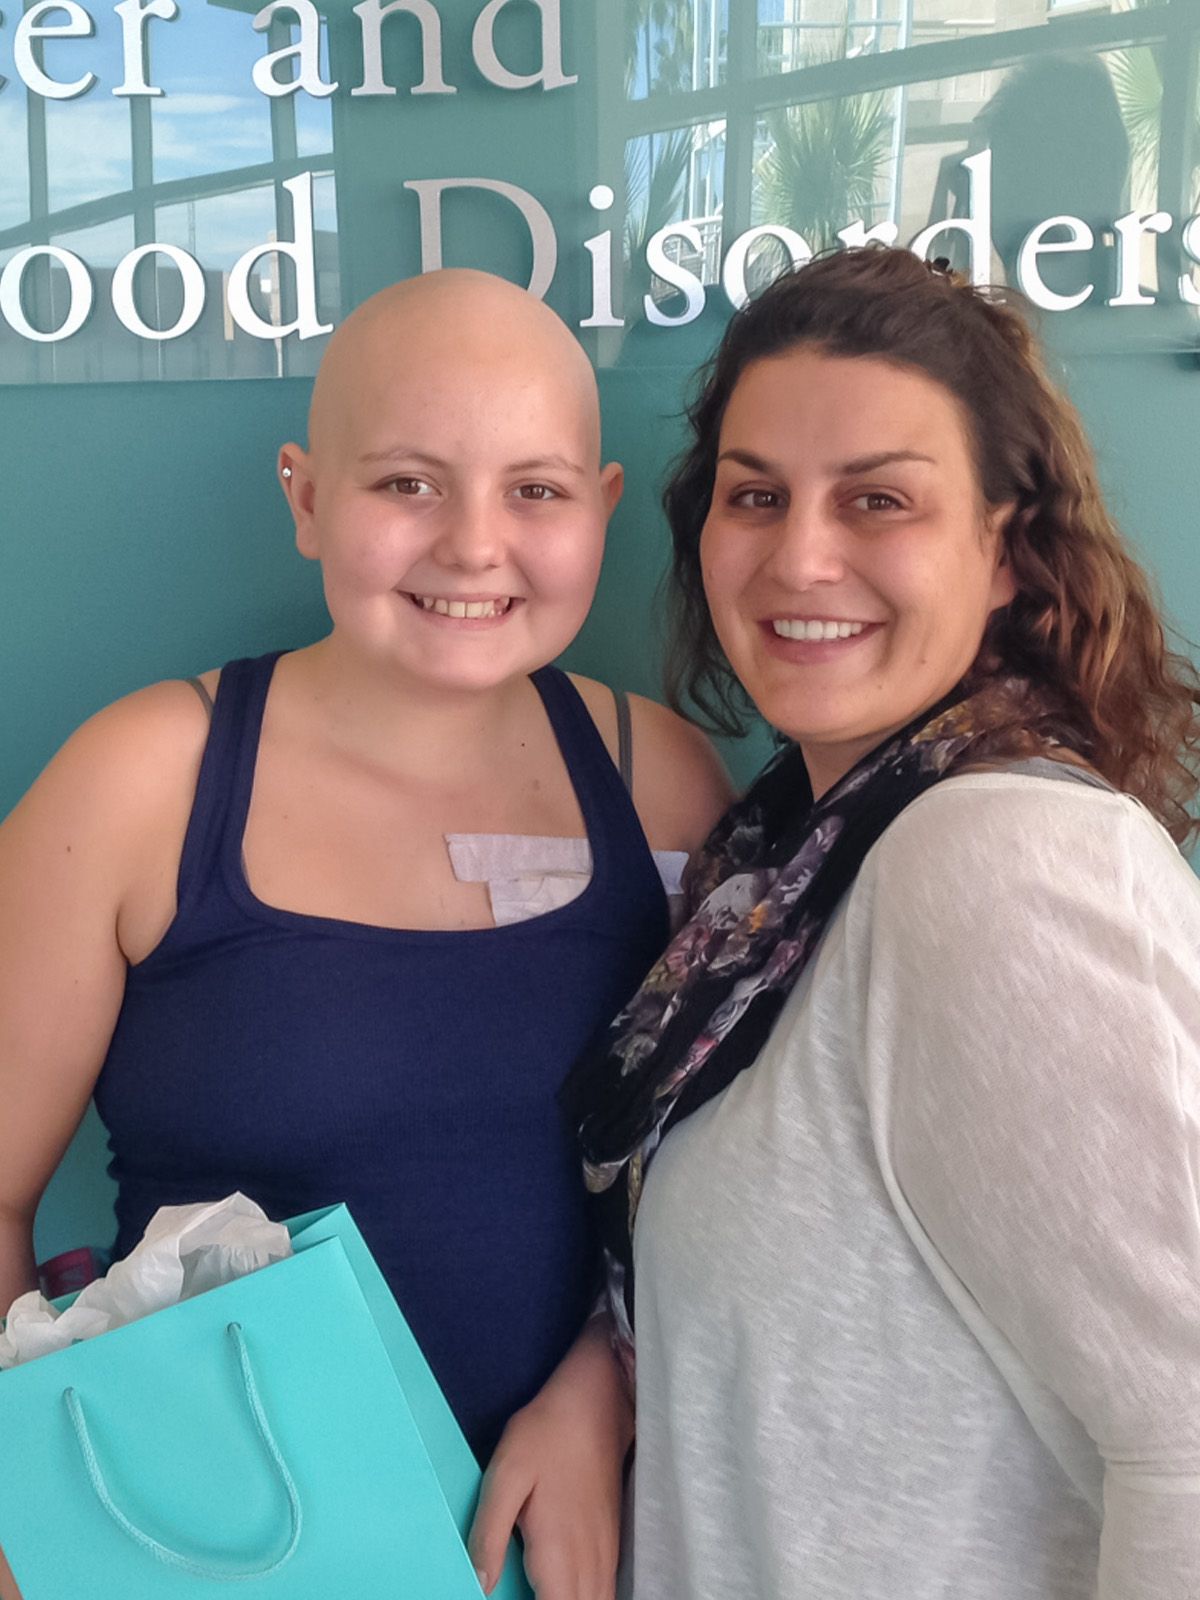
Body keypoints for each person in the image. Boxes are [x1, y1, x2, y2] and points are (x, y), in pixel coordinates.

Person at [0, 269, 732, 1599]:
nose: (472, 545)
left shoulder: (664, 783)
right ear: (306, 499)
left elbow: (723, 1189)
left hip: (588, 1551)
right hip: (208, 1552)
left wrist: (604, 1381)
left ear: (602, 511)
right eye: (408, 483)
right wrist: (23, 1517)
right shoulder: (140, 783)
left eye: (537, 490)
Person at [565, 247, 1200, 1599]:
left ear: (1009, 551)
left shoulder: (996, 862)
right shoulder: (793, 862)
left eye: (879, 500)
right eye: (757, 496)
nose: (802, 555)